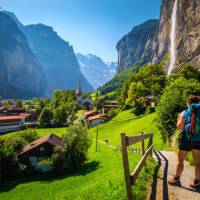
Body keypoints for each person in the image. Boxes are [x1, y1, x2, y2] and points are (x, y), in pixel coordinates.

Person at [168, 96, 200, 190]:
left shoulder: (185, 112)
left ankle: (176, 179)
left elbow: (179, 126)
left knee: (180, 160)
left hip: (186, 138)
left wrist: (179, 118)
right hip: (198, 138)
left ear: (188, 103)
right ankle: (197, 182)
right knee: (198, 161)